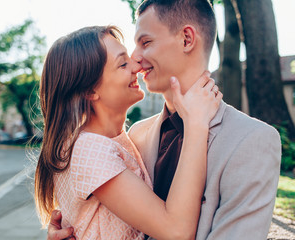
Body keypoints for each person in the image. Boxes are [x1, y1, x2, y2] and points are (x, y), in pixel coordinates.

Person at [47, 0, 282, 240]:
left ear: (186, 39)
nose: (136, 59)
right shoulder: (136, 137)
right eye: (126, 57)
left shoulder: (252, 141)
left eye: (146, 42)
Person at [35, 24, 222, 240]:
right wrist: (196, 123)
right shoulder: (89, 149)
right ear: (90, 90)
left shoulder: (118, 140)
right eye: (123, 64)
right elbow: (176, 231)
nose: (137, 65)